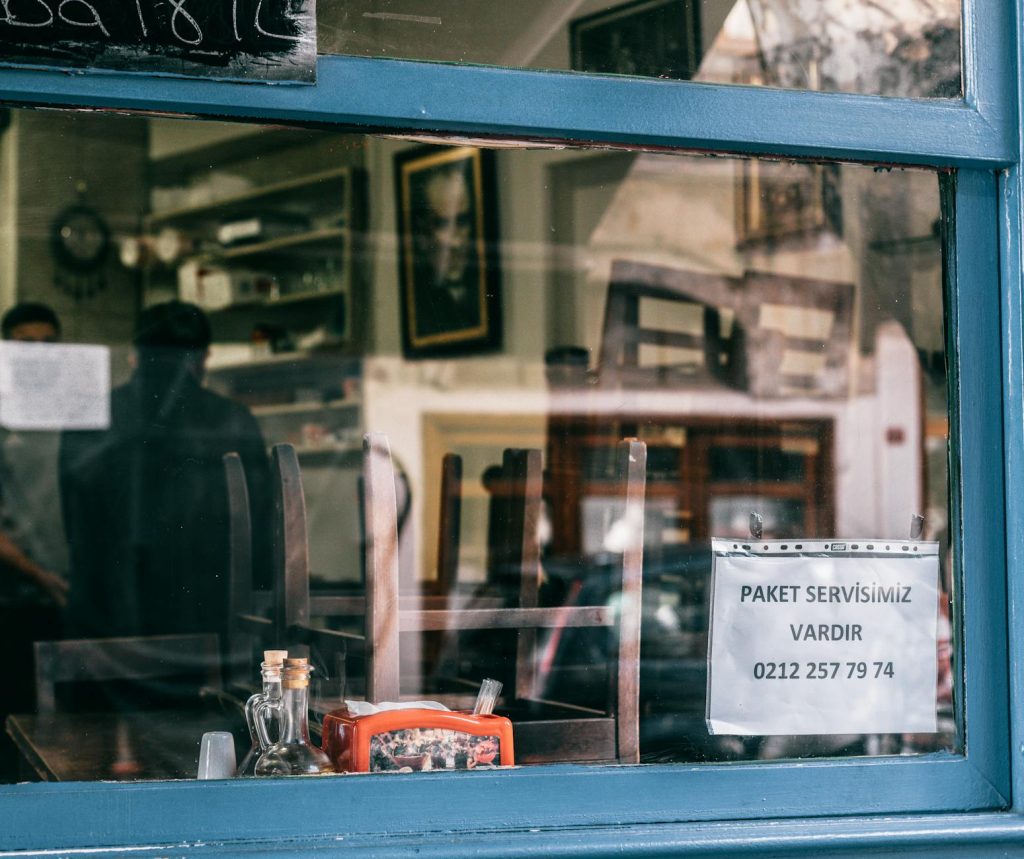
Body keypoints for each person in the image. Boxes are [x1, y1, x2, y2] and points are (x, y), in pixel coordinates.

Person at [60, 301, 269, 652]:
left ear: (135, 355)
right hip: (206, 617)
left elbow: (76, 527)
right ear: (203, 358)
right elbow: (259, 530)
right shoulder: (231, 420)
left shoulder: (91, 417)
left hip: (109, 617)